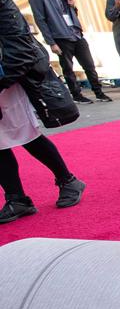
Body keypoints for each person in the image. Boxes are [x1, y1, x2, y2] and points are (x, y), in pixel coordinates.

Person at [0, 77, 86, 224]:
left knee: (28, 136)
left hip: (7, 87)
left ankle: (68, 180)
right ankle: (16, 198)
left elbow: (19, 57)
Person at [28, 0, 112, 104]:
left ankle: (99, 93)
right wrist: (51, 42)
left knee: (89, 65)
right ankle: (76, 95)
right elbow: (40, 20)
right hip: (60, 36)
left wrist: (73, 7)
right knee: (68, 68)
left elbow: (71, 16)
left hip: (76, 34)